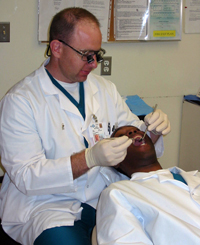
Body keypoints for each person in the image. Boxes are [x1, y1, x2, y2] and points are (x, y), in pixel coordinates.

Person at [0, 7, 170, 245]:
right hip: (47, 205)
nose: (94, 64)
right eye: (85, 55)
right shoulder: (20, 101)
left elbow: (132, 133)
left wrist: (152, 131)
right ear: (57, 48)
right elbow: (26, 176)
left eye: (97, 54)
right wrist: (88, 159)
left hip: (104, 194)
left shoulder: (104, 89)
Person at [96, 125, 200, 245]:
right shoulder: (118, 193)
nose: (132, 131)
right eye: (122, 136)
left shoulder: (195, 177)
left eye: (136, 130)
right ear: (115, 162)